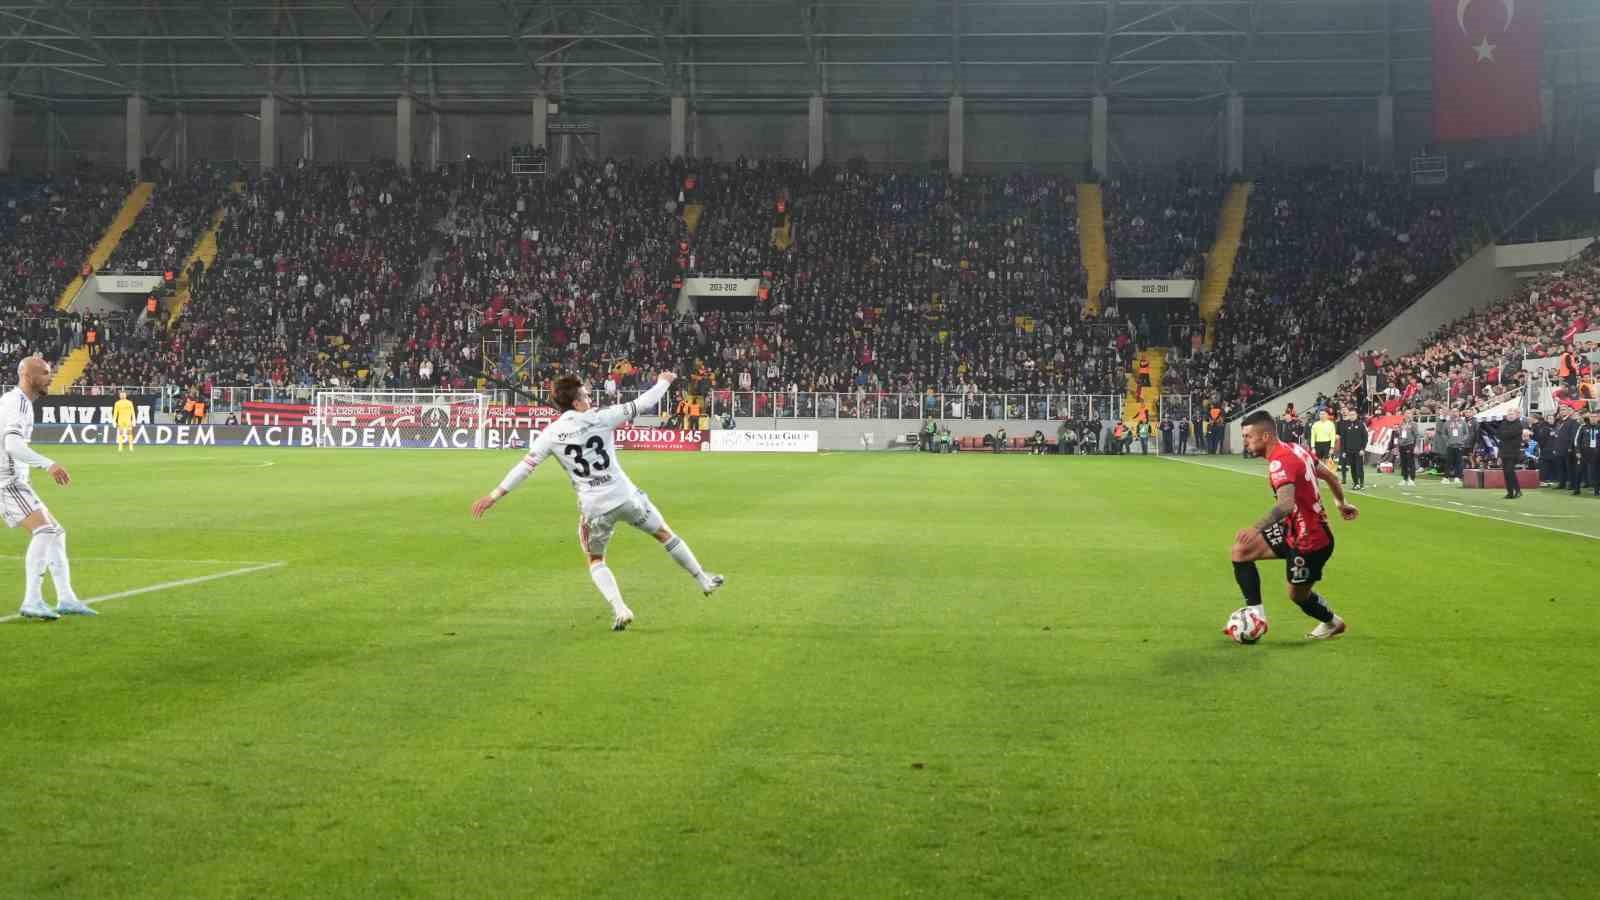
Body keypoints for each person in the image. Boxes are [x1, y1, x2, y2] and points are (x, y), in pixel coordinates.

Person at [471, 371, 724, 631]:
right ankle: (702, 579)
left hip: (594, 509)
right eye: (585, 395)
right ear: (577, 403)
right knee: (665, 535)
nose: (590, 397)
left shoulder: (551, 433)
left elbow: (526, 467)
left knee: (595, 559)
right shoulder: (603, 418)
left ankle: (620, 609)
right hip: (626, 496)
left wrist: (495, 495)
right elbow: (645, 402)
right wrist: (665, 381)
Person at [1227, 410, 1358, 641]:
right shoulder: (1295, 449)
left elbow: (1286, 505)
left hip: (1311, 541)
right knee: (1240, 551)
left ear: (1265, 436)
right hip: (1292, 530)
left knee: (1297, 596)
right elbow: (1331, 476)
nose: (1245, 441)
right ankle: (1257, 617)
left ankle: (1332, 622)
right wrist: (1341, 503)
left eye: (1248, 436)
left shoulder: (1281, 462)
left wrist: (1256, 527)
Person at [4, 357, 95, 620]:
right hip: (7, 482)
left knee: (56, 532)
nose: (49, 377)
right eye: (44, 373)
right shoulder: (19, 403)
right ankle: (32, 600)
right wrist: (48, 464)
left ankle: (66, 598)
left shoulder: (14, 401)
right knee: (44, 530)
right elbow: (11, 445)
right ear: (26, 375)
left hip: (15, 479)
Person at [1335, 407, 1368, 490]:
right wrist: (1344, 451)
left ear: (1356, 415)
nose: (1352, 416)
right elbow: (1344, 439)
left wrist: (1362, 449)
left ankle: (1361, 483)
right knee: (1352, 467)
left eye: (1353, 414)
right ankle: (1355, 483)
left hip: (1358, 451)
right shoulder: (1347, 425)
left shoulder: (1361, 424)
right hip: (1349, 451)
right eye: (1350, 415)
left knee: (1359, 467)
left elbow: (1365, 438)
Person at [1496, 409, 1525, 499]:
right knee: (1506, 473)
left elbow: (1508, 434)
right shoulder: (1504, 423)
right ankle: (1510, 492)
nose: (1510, 416)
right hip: (1504, 452)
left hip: (1513, 452)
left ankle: (1517, 490)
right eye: (1509, 414)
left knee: (1510, 471)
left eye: (1512, 414)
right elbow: (1499, 435)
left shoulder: (1518, 424)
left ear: (1516, 415)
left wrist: (1504, 434)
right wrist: (1499, 455)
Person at [1554, 407, 1581, 494]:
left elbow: (1573, 436)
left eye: (1564, 410)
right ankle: (1561, 483)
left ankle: (1571, 483)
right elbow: (1557, 435)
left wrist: (1570, 447)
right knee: (1560, 467)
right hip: (1559, 448)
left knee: (1569, 467)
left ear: (1568, 412)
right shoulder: (1558, 422)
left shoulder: (1573, 422)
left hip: (1568, 448)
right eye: (1561, 410)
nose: (1562, 412)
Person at [1577, 409, 1600, 497]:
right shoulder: (1584, 427)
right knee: (1586, 471)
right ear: (1589, 418)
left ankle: (1596, 490)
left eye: (1595, 417)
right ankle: (1577, 488)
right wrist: (1578, 451)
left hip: (1598, 453)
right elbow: (1578, 441)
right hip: (1586, 453)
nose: (1593, 419)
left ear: (1598, 418)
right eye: (1591, 417)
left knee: (1597, 472)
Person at [1393, 413, 1419, 486]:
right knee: (1403, 463)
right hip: (1402, 445)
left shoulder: (1413, 424)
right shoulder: (1401, 424)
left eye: (1409, 413)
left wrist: (1416, 446)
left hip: (1410, 444)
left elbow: (1417, 435)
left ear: (1411, 415)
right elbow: (1399, 435)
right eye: (1406, 413)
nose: (1408, 415)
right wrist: (1397, 446)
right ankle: (1404, 478)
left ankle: (1412, 479)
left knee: (1410, 462)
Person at [113, 389, 136, 453]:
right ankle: (120, 446)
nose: (122, 396)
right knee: (121, 433)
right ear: (119, 396)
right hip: (120, 420)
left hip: (128, 420)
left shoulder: (129, 402)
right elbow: (115, 413)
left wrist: (134, 420)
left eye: (123, 395)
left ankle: (131, 446)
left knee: (129, 433)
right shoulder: (117, 403)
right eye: (121, 395)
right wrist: (114, 421)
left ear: (126, 395)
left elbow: (133, 412)